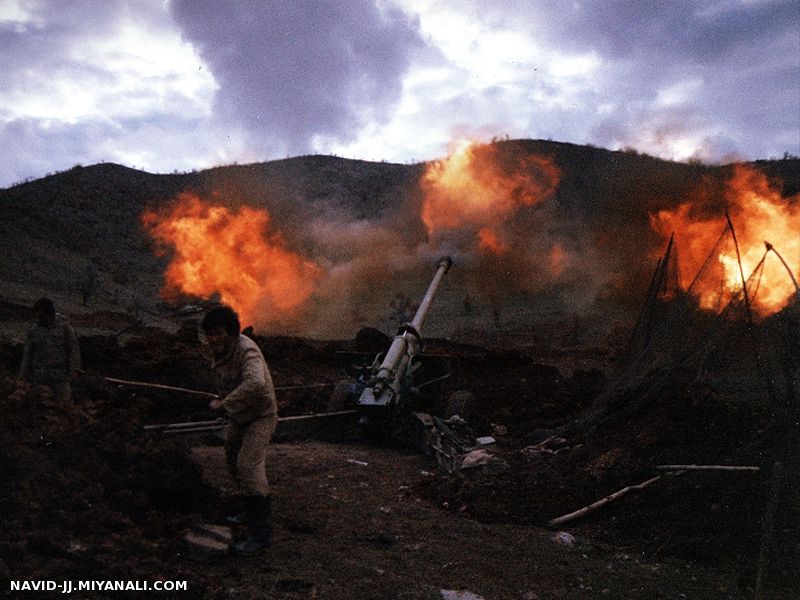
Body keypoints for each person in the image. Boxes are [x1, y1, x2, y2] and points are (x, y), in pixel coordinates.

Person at [201, 305, 278, 555]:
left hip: (260, 416)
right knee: (232, 457)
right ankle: (248, 509)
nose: (213, 339)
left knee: (248, 465)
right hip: (240, 416)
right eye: (210, 334)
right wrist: (223, 396)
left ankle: (261, 534)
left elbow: (256, 383)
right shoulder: (220, 351)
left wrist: (225, 403)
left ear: (231, 333)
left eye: (218, 333)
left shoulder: (247, 350)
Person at [19, 297, 81, 404]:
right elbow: (28, 353)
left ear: (49, 313)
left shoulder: (65, 328)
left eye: (42, 315)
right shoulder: (34, 329)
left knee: (65, 408)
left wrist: (74, 370)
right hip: (38, 378)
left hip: (59, 378)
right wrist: (22, 376)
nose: (39, 318)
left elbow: (73, 350)